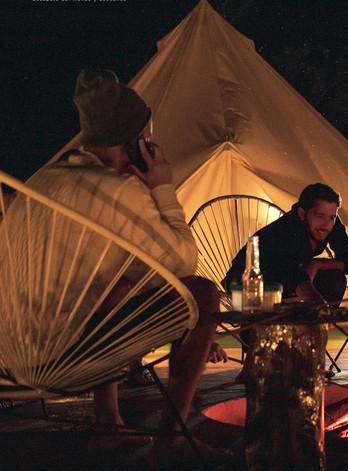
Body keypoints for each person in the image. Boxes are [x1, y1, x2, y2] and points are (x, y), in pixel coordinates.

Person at [14, 69, 222, 466]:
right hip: (69, 359)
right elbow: (184, 262)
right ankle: (170, 439)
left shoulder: (41, 180)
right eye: (148, 136)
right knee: (202, 292)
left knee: (116, 284)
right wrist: (162, 186)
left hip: (14, 358)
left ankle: (107, 423)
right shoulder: (117, 190)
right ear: (135, 143)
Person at [223, 183, 348, 306]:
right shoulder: (286, 231)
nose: (326, 225)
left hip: (285, 281)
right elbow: (293, 274)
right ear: (302, 213)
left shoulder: (330, 224)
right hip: (246, 282)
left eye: (331, 218)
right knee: (285, 283)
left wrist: (317, 263)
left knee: (334, 279)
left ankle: (313, 330)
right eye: (319, 216)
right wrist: (321, 307)